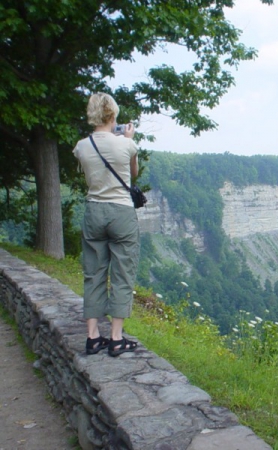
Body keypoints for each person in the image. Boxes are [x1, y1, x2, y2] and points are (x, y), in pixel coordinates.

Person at [73, 92, 140, 357]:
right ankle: (115, 338)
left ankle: (92, 337)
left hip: (94, 210)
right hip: (121, 212)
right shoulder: (126, 145)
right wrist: (127, 140)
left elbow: (88, 172)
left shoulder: (81, 145)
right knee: (123, 272)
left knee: (94, 272)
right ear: (113, 115)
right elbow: (133, 174)